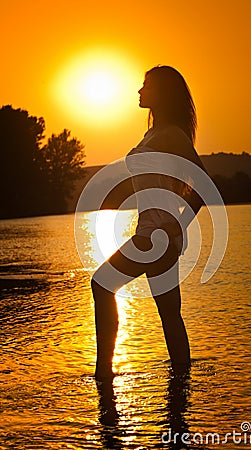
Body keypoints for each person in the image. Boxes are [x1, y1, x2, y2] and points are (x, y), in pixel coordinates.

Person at [91, 65, 207, 381]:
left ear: (162, 93)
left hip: (157, 233)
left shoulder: (171, 134)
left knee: (101, 285)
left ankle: (104, 373)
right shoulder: (153, 134)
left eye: (146, 85)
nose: (140, 91)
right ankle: (182, 385)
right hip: (156, 232)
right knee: (170, 315)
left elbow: (203, 183)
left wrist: (178, 226)